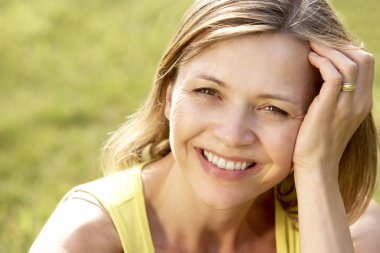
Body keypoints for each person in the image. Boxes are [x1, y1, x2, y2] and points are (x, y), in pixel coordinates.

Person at [29, 0, 380, 252]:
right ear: (168, 96)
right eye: (208, 91)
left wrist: (317, 168)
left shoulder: (350, 229)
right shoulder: (85, 239)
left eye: (273, 108)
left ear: (325, 121)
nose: (231, 134)